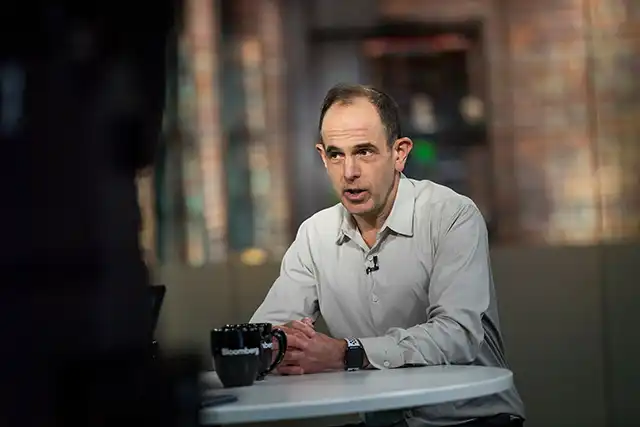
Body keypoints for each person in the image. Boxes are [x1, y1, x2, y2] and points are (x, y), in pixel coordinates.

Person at [250, 83, 525, 427]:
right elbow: (263, 334)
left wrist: (347, 352)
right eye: (336, 155)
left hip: (471, 420)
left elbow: (457, 335)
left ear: (400, 153)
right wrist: (281, 344)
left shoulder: (452, 215)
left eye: (364, 152)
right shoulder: (314, 235)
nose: (349, 172)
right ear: (322, 157)